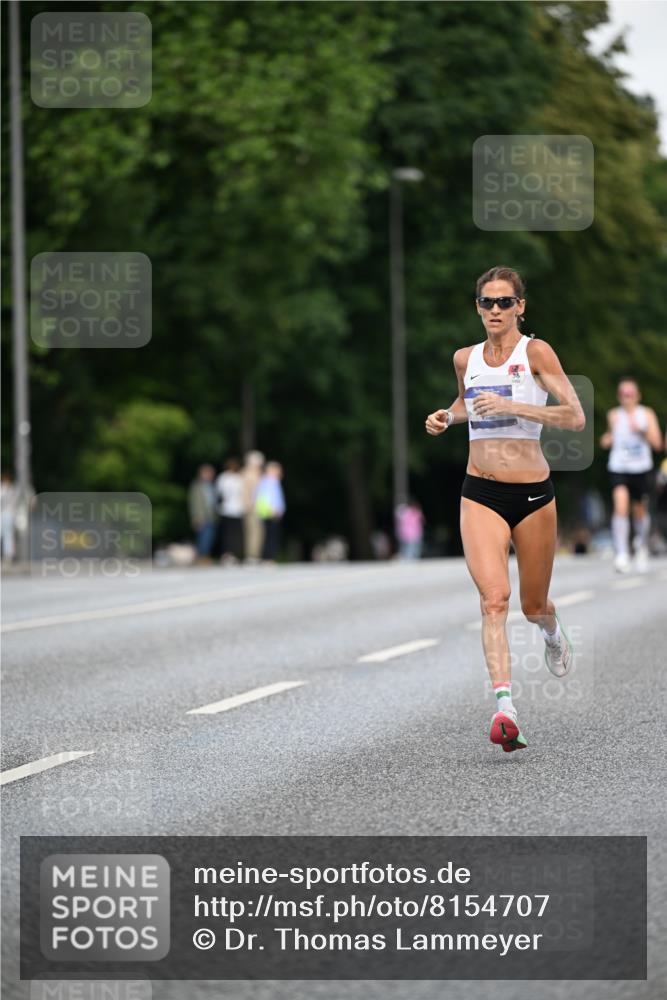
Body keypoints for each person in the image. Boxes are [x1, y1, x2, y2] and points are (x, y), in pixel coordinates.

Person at [425, 265, 585, 753]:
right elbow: (466, 402)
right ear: (477, 307)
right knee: (494, 600)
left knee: (532, 605)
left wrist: (515, 406)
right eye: (487, 302)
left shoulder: (535, 353)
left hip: (533, 496)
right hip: (480, 492)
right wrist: (447, 416)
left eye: (504, 302)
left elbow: (575, 417)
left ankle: (551, 630)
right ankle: (505, 709)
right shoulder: (465, 358)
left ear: (520, 306)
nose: (495, 310)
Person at [600, 378, 662, 573]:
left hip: (641, 468)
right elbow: (607, 439)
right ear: (619, 397)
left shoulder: (647, 414)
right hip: (619, 467)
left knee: (640, 511)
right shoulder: (614, 415)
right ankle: (622, 553)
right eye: (623, 394)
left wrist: (641, 430)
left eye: (630, 394)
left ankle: (641, 545)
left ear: (637, 396)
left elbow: (658, 444)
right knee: (620, 507)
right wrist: (607, 439)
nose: (627, 398)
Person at [254, 461, 285, 563]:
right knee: (270, 536)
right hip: (270, 513)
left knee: (271, 535)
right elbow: (264, 498)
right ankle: (268, 557)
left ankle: (268, 557)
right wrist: (272, 510)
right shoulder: (268, 482)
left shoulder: (273, 481)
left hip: (272, 513)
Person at [216, 458, 245, 565]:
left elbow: (219, 492)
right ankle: (229, 555)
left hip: (232, 509)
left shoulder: (225, 478)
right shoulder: (233, 478)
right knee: (231, 534)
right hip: (230, 509)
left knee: (231, 534)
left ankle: (231, 554)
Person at [187, 465, 217, 562]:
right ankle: (201, 556)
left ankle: (205, 555)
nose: (210, 475)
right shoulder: (196, 486)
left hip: (211, 516)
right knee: (203, 537)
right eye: (207, 473)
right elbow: (193, 502)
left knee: (209, 537)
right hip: (201, 516)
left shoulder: (212, 486)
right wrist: (195, 516)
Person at [240, 450, 265, 564]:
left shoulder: (259, 474)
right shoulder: (248, 474)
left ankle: (255, 554)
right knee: (253, 532)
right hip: (251, 507)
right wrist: (247, 504)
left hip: (260, 507)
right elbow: (244, 491)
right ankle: (252, 555)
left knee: (258, 532)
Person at [1, 472, 18, 564]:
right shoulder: (6, 489)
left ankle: (8, 555)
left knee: (8, 536)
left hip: (8, 515)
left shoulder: (10, 490)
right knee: (6, 535)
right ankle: (7, 555)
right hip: (5, 514)